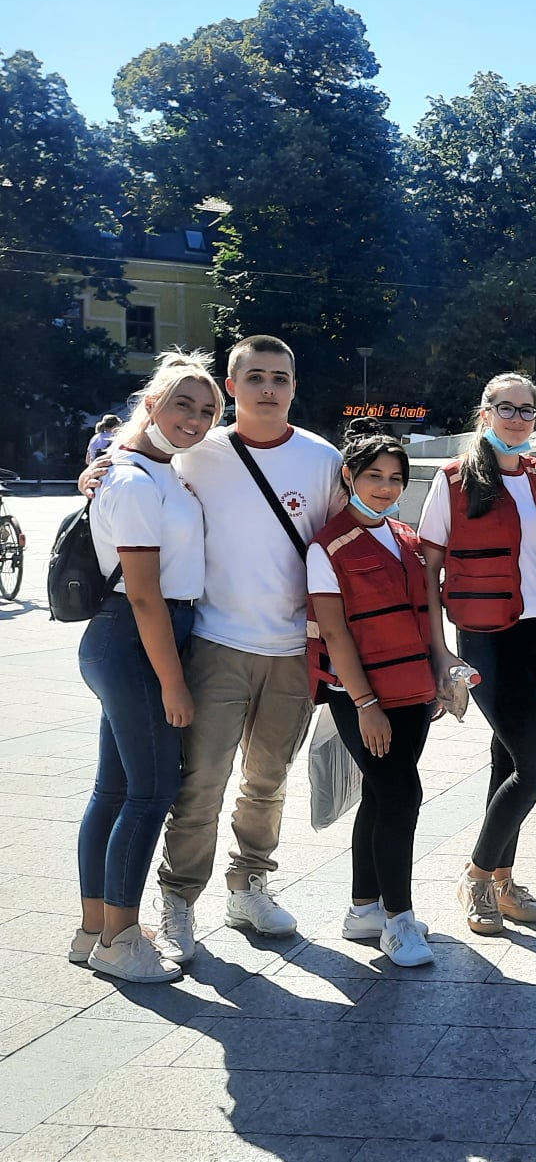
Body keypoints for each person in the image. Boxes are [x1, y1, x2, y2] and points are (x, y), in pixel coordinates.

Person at [137, 335, 343, 962]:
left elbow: (348, 536)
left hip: (292, 650)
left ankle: (249, 884)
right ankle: (177, 900)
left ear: (294, 387)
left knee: (268, 781)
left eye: (280, 377)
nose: (268, 388)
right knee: (201, 781)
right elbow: (141, 457)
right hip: (217, 641)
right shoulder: (201, 452)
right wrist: (101, 468)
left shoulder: (322, 458)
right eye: (255, 377)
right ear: (232, 387)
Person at [75, 352, 220, 982]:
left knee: (114, 790)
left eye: (208, 410)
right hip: (137, 639)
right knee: (152, 792)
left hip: (134, 639)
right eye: (183, 404)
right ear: (152, 403)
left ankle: (94, 929)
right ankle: (120, 941)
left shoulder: (156, 470)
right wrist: (173, 681)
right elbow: (143, 594)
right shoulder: (135, 480)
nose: (196, 419)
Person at [420, 372, 536, 935]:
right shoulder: (453, 480)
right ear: (484, 414)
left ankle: (501, 880)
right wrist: (440, 653)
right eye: (505, 408)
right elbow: (429, 572)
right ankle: (477, 874)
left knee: (508, 759)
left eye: (527, 410)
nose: (516, 419)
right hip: (485, 640)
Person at [304, 434, 439, 968]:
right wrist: (364, 704)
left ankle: (364, 909)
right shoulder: (328, 546)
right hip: (364, 698)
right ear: (349, 477)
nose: (385, 488)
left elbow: (425, 615)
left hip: (414, 691)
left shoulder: (406, 538)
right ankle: (398, 921)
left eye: (395, 478)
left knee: (383, 798)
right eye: (374, 476)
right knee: (403, 796)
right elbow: (335, 633)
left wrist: (441, 675)